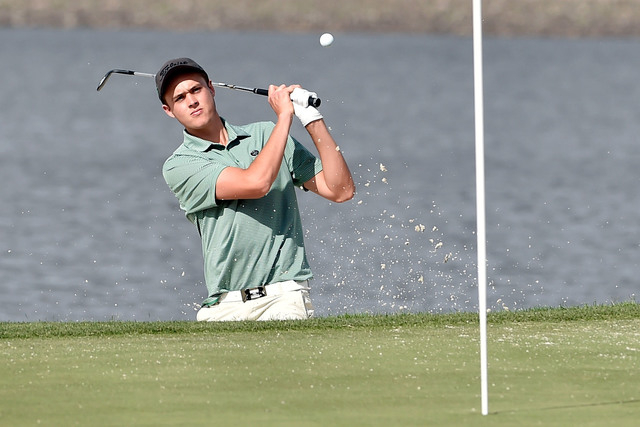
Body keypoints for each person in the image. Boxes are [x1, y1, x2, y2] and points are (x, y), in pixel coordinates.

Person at [157, 58, 355, 321]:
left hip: (285, 295)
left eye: (196, 90)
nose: (192, 101)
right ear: (169, 110)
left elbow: (340, 190)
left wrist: (311, 118)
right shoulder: (180, 165)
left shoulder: (266, 135)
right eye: (179, 98)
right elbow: (257, 183)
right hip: (225, 303)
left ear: (211, 89)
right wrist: (285, 116)